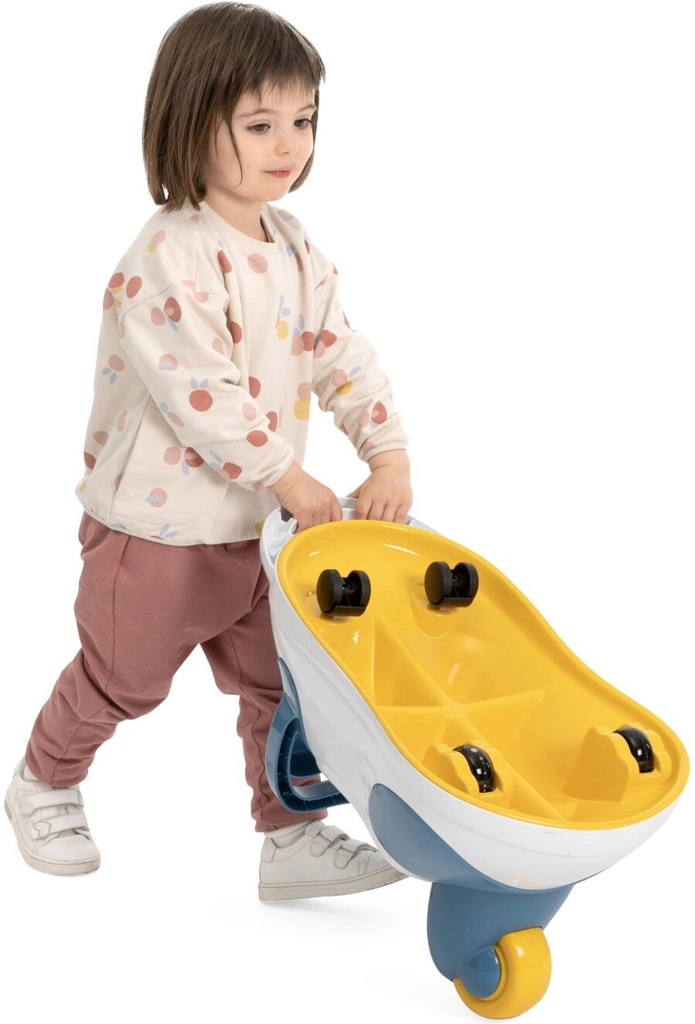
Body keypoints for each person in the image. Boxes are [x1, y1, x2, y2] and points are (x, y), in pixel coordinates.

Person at [4, 2, 411, 901]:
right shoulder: (169, 254)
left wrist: (385, 453)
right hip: (159, 529)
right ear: (192, 123)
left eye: (303, 120)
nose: (288, 144)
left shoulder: (295, 247)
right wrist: (290, 475)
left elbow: (340, 354)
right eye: (259, 125)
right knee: (123, 676)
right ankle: (45, 778)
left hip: (260, 530)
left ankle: (288, 833)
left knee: (282, 685)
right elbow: (201, 397)